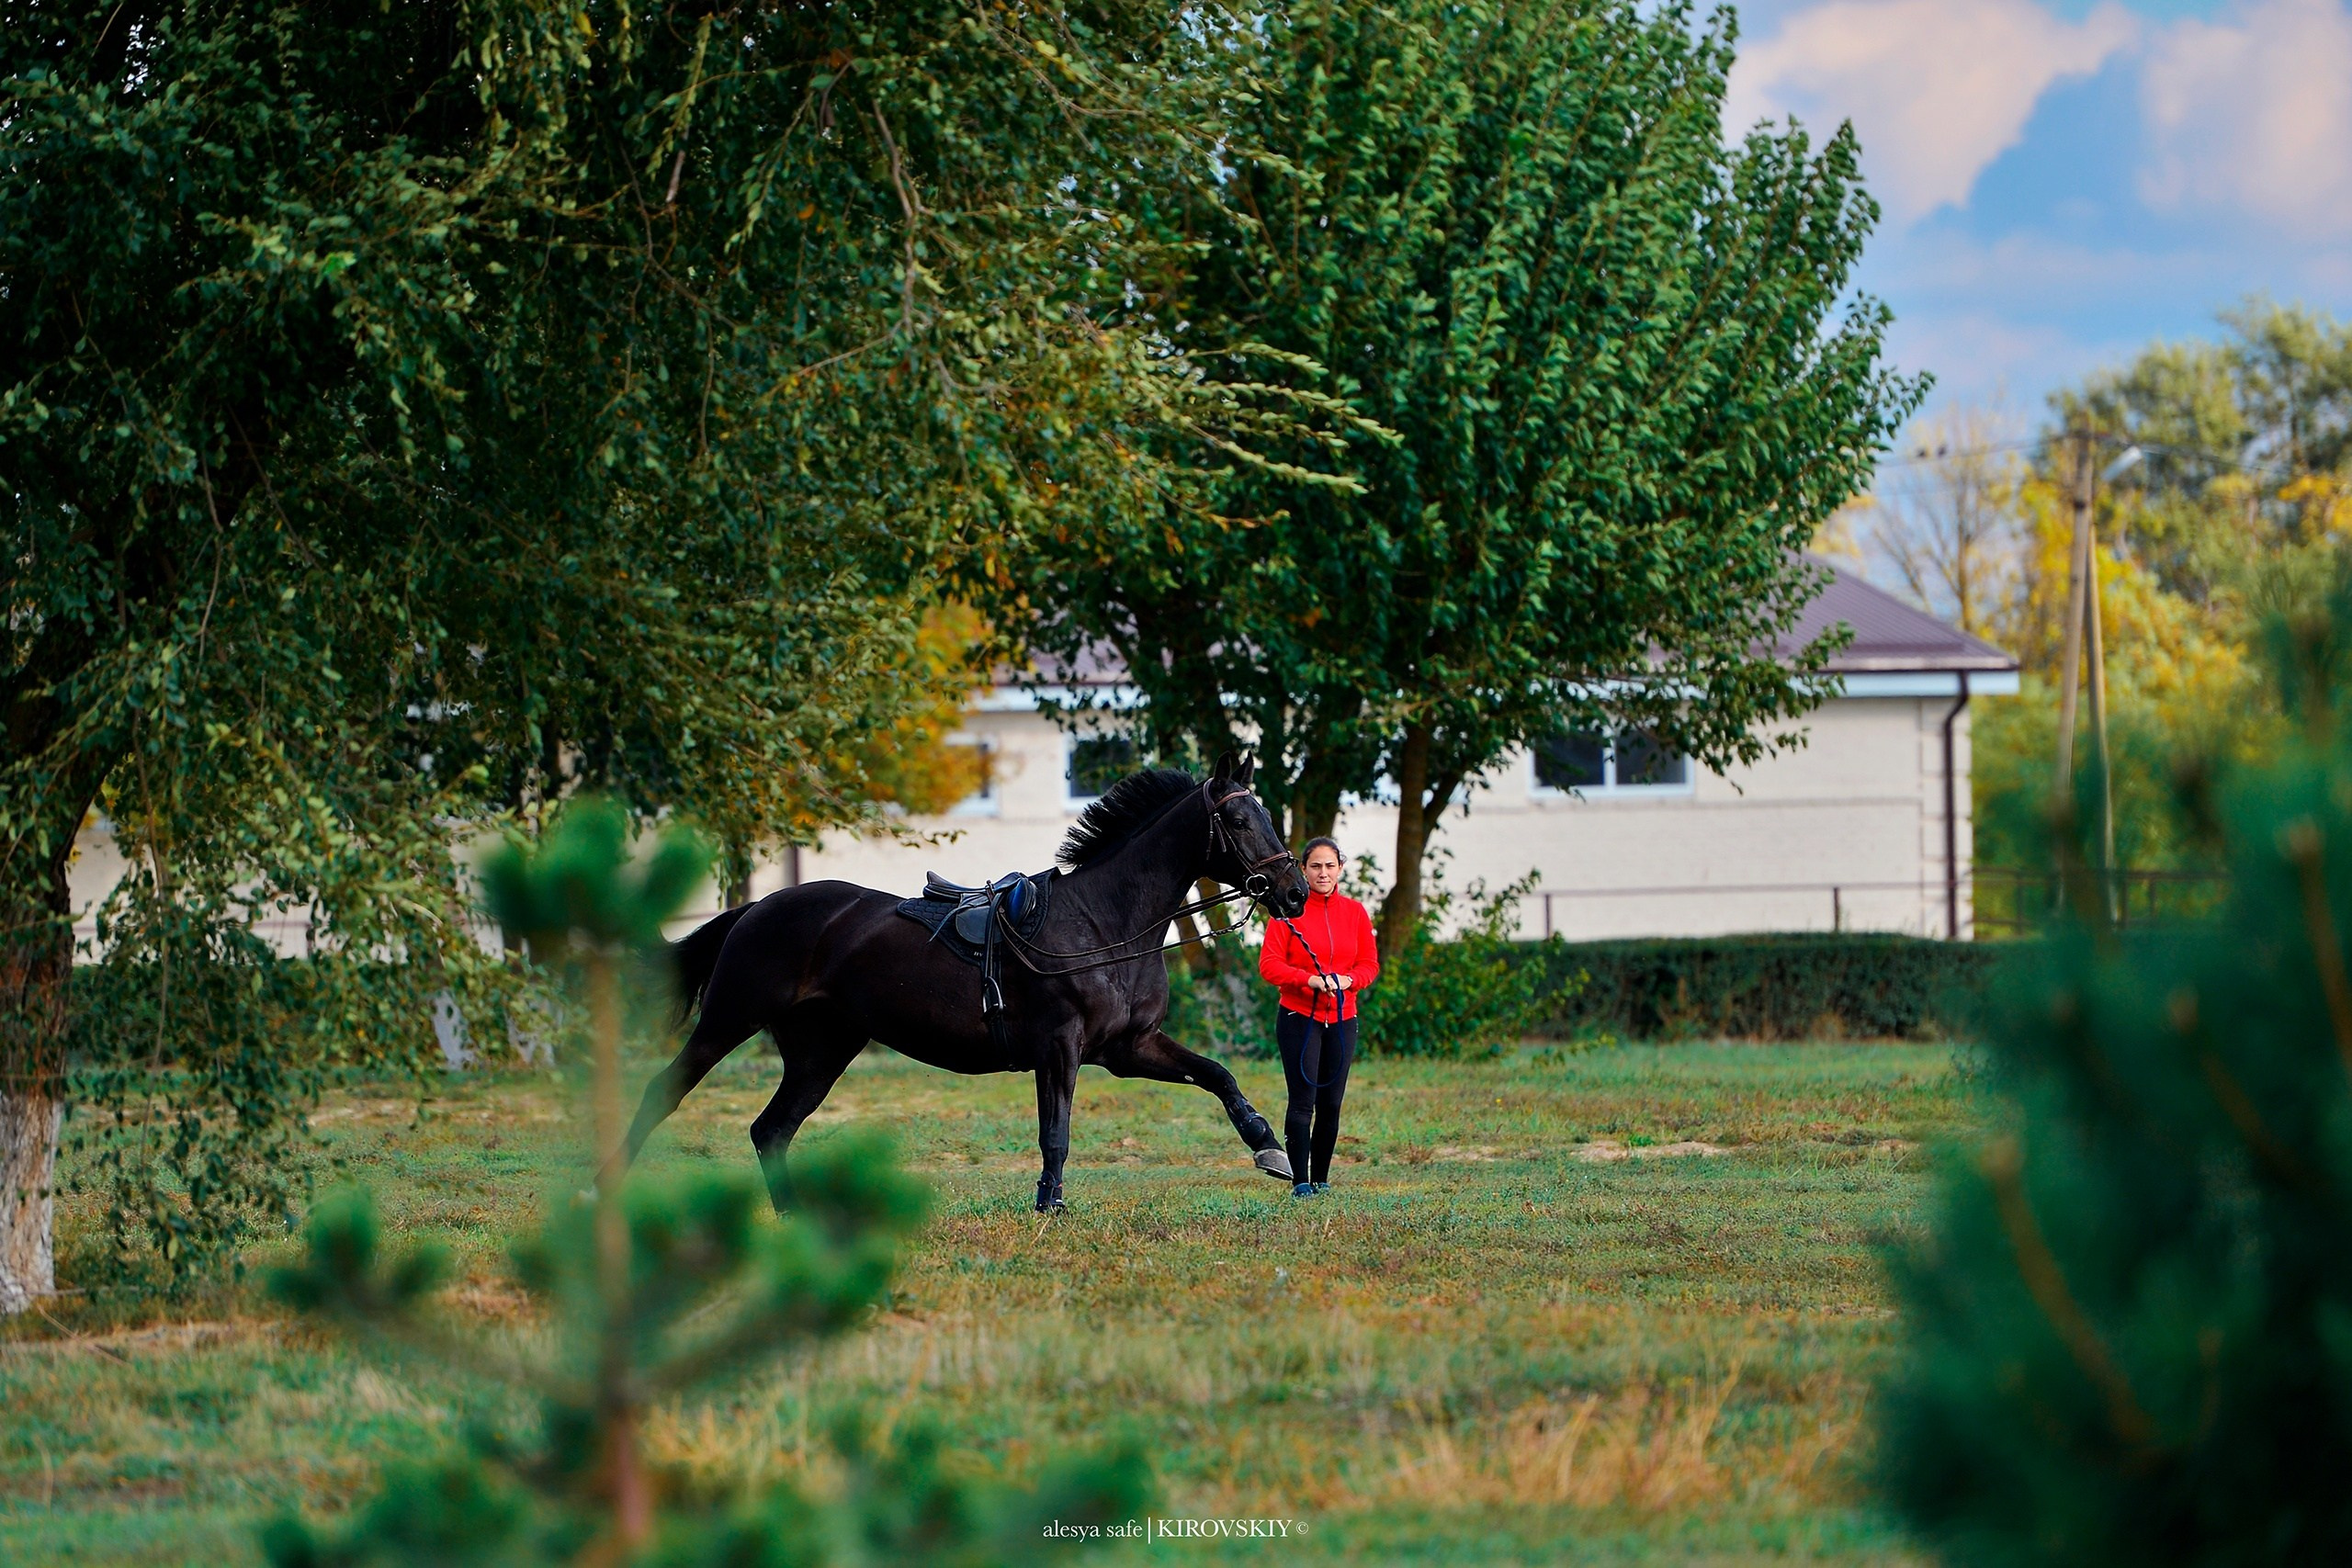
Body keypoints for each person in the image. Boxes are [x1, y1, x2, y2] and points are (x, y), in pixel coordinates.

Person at [1257, 836, 1378, 1197]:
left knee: (1331, 1103)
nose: (1323, 873)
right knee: (1302, 1101)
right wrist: (1308, 980)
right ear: (1303, 870)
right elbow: (1269, 965)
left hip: (1343, 1019)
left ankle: (1322, 1179)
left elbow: (1369, 965)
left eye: (1329, 866)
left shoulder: (1355, 912)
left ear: (1340, 868)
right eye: (1315, 866)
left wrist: (1348, 980)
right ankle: (1301, 1182)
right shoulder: (1287, 912)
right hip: (1299, 1017)